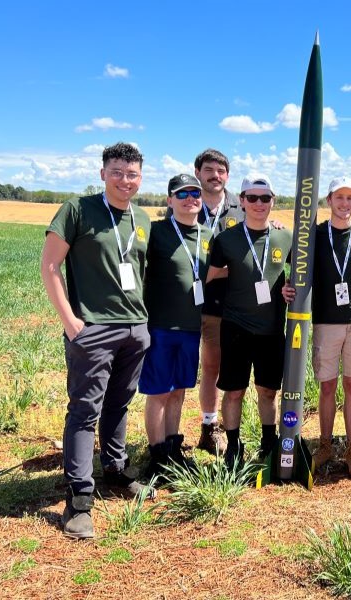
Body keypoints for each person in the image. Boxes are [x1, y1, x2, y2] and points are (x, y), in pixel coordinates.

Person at [41, 142, 153, 539]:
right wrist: (72, 323)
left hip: (135, 329)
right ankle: (79, 499)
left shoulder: (143, 219)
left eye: (133, 174)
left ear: (141, 177)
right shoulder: (77, 209)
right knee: (85, 411)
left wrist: (143, 326)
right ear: (103, 172)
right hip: (93, 329)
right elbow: (50, 264)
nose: (126, 180)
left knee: (119, 404)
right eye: (118, 172)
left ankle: (117, 471)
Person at [283, 176, 351, 478]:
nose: (345, 204)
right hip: (325, 321)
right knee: (327, 385)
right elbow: (296, 268)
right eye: (339, 197)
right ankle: (325, 444)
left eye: (350, 198)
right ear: (328, 201)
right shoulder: (316, 234)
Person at [206, 174, 292, 470]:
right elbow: (211, 274)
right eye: (252, 197)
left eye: (265, 198)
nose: (258, 204)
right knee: (234, 391)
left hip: (271, 330)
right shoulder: (226, 239)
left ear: (273, 201)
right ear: (241, 201)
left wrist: (287, 285)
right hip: (235, 328)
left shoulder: (285, 236)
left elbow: (299, 276)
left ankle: (269, 443)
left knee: (268, 391)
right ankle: (233, 446)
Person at [139, 174, 210, 479]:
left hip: (191, 328)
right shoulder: (155, 233)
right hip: (160, 326)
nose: (189, 198)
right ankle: (156, 455)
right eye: (181, 194)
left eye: (195, 192)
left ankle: (172, 447)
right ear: (169, 201)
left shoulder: (208, 236)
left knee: (179, 391)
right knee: (158, 392)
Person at [191, 149, 244, 456]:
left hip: (222, 303)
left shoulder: (240, 207)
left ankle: (211, 427)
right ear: (198, 172)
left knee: (214, 365)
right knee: (185, 370)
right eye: (209, 169)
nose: (215, 175)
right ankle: (176, 434)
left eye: (221, 170)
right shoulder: (185, 202)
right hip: (186, 300)